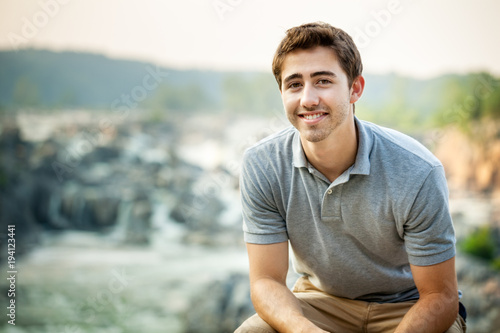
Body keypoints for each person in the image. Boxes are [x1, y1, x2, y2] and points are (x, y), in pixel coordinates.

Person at [235, 22, 466, 333]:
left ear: (355, 88)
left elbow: (440, 296)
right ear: (282, 92)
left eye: (323, 81)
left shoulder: (418, 171)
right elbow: (265, 281)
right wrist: (303, 330)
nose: (308, 98)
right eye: (294, 84)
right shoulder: (261, 164)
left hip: (407, 307)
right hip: (319, 304)